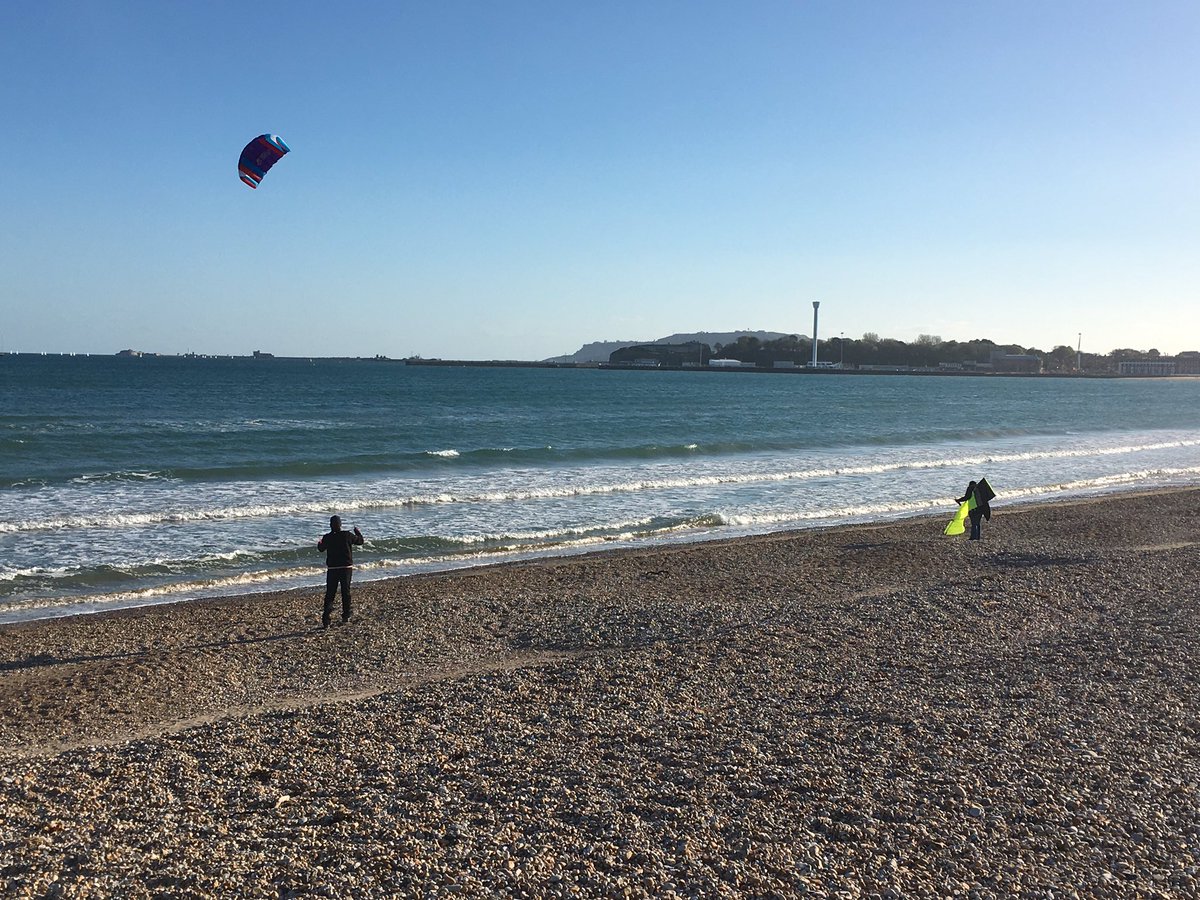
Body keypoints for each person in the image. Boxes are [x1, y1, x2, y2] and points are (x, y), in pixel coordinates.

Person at [317, 515, 364, 627]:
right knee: (345, 592)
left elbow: (321, 549)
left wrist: (319, 542)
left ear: (330, 525)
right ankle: (346, 615)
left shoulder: (327, 537)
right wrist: (358, 532)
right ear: (340, 525)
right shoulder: (347, 535)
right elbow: (360, 541)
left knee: (330, 593)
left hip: (333, 568)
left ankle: (326, 618)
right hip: (346, 567)